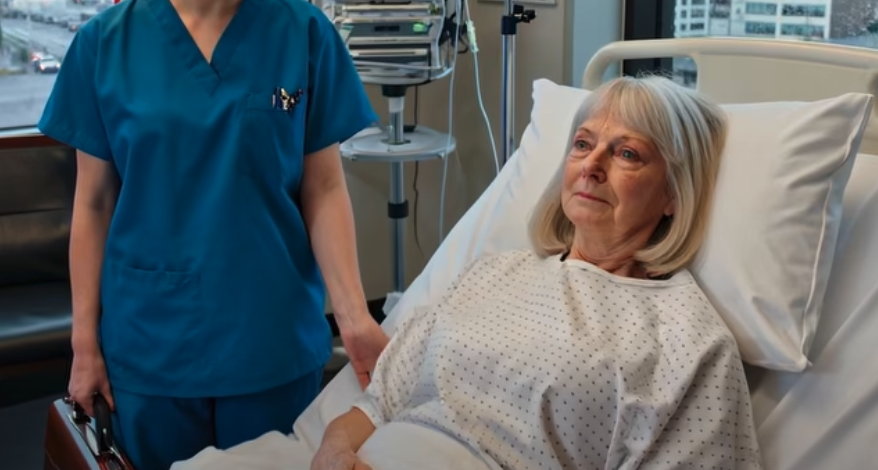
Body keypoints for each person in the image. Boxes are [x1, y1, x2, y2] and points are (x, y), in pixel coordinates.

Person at [38, 0, 389, 470]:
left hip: (271, 338)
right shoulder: (105, 46)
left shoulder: (302, 37)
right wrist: (84, 341)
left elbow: (323, 186)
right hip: (152, 344)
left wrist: (354, 316)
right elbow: (92, 207)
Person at [304, 75, 763, 470]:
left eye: (627, 154)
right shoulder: (493, 274)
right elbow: (378, 401)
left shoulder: (688, 342)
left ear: (674, 195)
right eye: (583, 144)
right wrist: (334, 448)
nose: (592, 166)